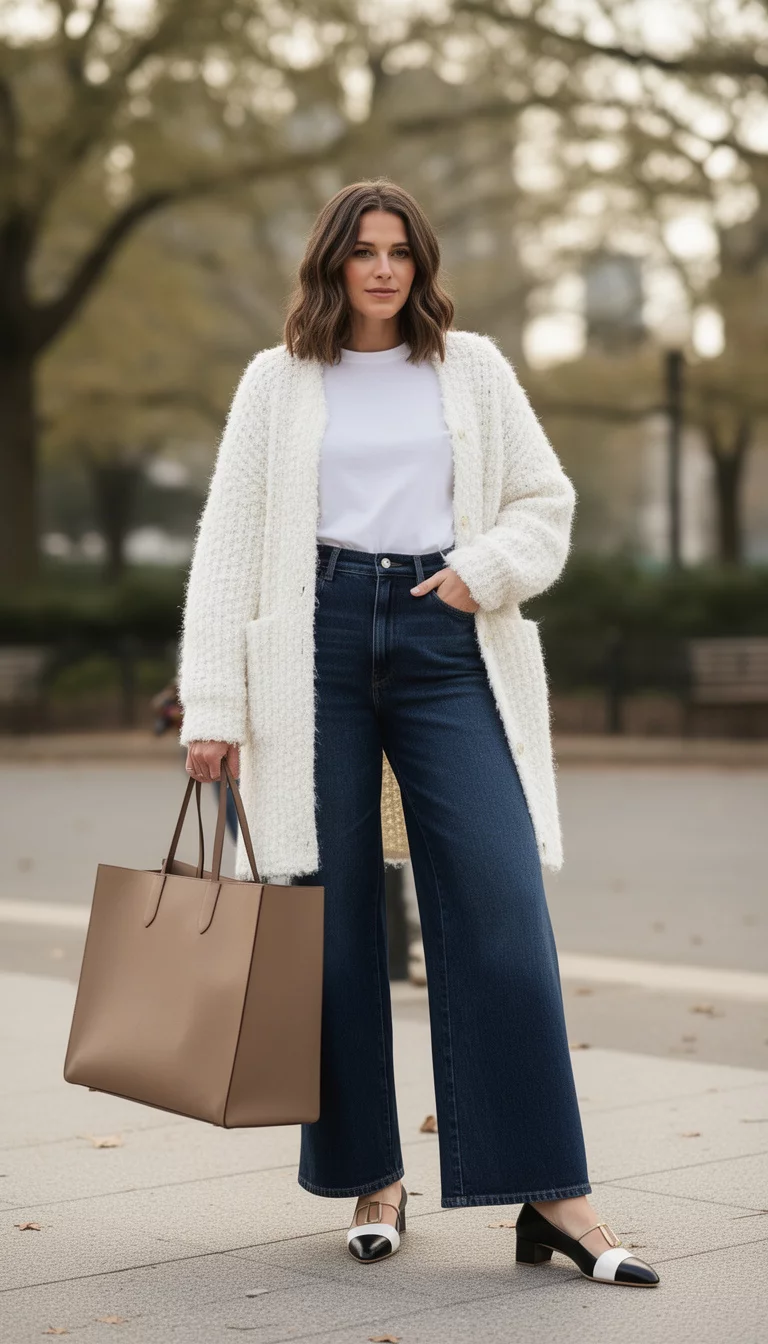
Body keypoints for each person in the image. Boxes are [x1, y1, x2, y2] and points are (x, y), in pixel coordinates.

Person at [178, 179, 659, 1288]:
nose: (384, 269)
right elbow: (229, 544)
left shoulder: (474, 370)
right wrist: (213, 707)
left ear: (423, 264)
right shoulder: (277, 382)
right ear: (332, 264)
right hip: (315, 644)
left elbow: (545, 503)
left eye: (401, 251)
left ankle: (555, 1193)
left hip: (449, 639)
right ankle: (372, 1176)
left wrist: (477, 575)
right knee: (332, 920)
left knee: (501, 904)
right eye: (364, 251)